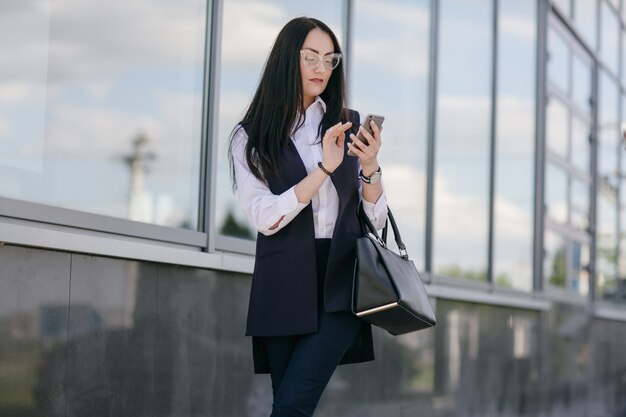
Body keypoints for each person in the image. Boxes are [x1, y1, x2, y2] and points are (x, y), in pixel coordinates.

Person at [228, 16, 387, 417]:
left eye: (329, 59)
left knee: (294, 404)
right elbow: (265, 217)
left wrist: (370, 168)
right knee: (287, 401)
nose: (321, 69)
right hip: (284, 280)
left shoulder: (347, 123)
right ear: (287, 59)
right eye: (311, 57)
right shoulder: (250, 136)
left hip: (342, 279)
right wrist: (323, 169)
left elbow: (374, 219)